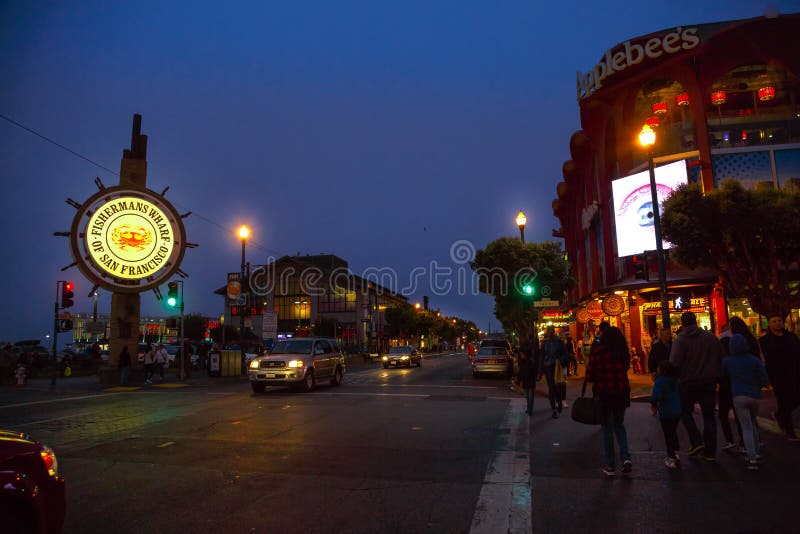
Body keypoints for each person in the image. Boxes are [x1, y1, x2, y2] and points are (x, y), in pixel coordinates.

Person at [669, 311, 723, 461]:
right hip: (709, 381)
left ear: (682, 323)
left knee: (685, 411)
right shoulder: (711, 338)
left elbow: (674, 363)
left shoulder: (680, 340)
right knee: (709, 416)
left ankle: (696, 440)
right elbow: (720, 357)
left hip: (688, 381)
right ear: (696, 321)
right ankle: (710, 451)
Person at [586, 326, 632, 476]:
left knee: (607, 429)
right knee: (619, 425)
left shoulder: (599, 351)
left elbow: (590, 375)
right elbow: (626, 367)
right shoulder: (622, 352)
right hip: (622, 392)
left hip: (605, 393)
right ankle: (625, 458)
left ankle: (610, 465)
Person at [722, 334, 770, 470]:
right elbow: (763, 377)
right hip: (755, 394)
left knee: (746, 426)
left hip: (738, 395)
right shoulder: (754, 360)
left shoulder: (727, 361)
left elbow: (723, 377)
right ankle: (756, 452)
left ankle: (752, 457)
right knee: (753, 424)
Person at [718, 317, 761, 451]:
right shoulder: (751, 341)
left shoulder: (725, 342)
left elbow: (721, 367)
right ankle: (752, 445)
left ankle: (733, 441)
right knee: (748, 419)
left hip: (730, 385)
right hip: (749, 386)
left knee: (725, 413)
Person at [759, 313, 800, 441]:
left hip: (794, 372)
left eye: (779, 320)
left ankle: (780, 416)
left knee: (796, 398)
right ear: (769, 324)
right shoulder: (764, 341)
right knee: (783, 400)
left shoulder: (791, 337)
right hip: (777, 375)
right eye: (774, 321)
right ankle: (789, 430)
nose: (777, 323)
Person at [650, 360, 683, 469]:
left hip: (666, 411)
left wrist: (653, 405)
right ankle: (676, 453)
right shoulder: (675, 381)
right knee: (673, 432)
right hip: (677, 410)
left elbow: (656, 395)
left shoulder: (660, 381)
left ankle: (671, 457)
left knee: (668, 434)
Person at [539, 326, 566, 418]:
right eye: (548, 332)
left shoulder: (559, 342)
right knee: (551, 388)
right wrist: (540, 371)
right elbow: (541, 356)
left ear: (553, 332)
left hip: (556, 367)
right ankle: (554, 409)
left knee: (557, 386)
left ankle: (559, 401)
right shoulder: (544, 343)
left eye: (550, 331)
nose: (549, 333)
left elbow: (564, 354)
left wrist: (560, 361)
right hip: (547, 367)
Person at [517, 336, 538, 416]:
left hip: (530, 379)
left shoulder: (530, 362)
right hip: (527, 380)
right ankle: (529, 408)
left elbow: (521, 372)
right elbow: (520, 372)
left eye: (522, 354)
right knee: (527, 396)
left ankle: (530, 409)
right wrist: (518, 381)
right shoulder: (523, 362)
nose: (521, 355)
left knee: (530, 395)